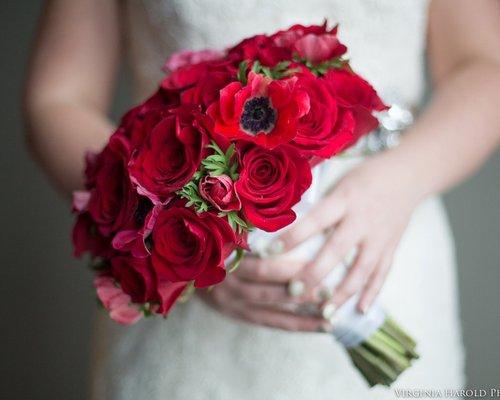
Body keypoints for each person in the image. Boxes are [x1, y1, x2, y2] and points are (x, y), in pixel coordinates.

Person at [23, 1, 500, 399]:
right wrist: (180, 237)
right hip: (185, 305)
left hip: (390, 252)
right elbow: (58, 97)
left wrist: (402, 179)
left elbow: (484, 65)